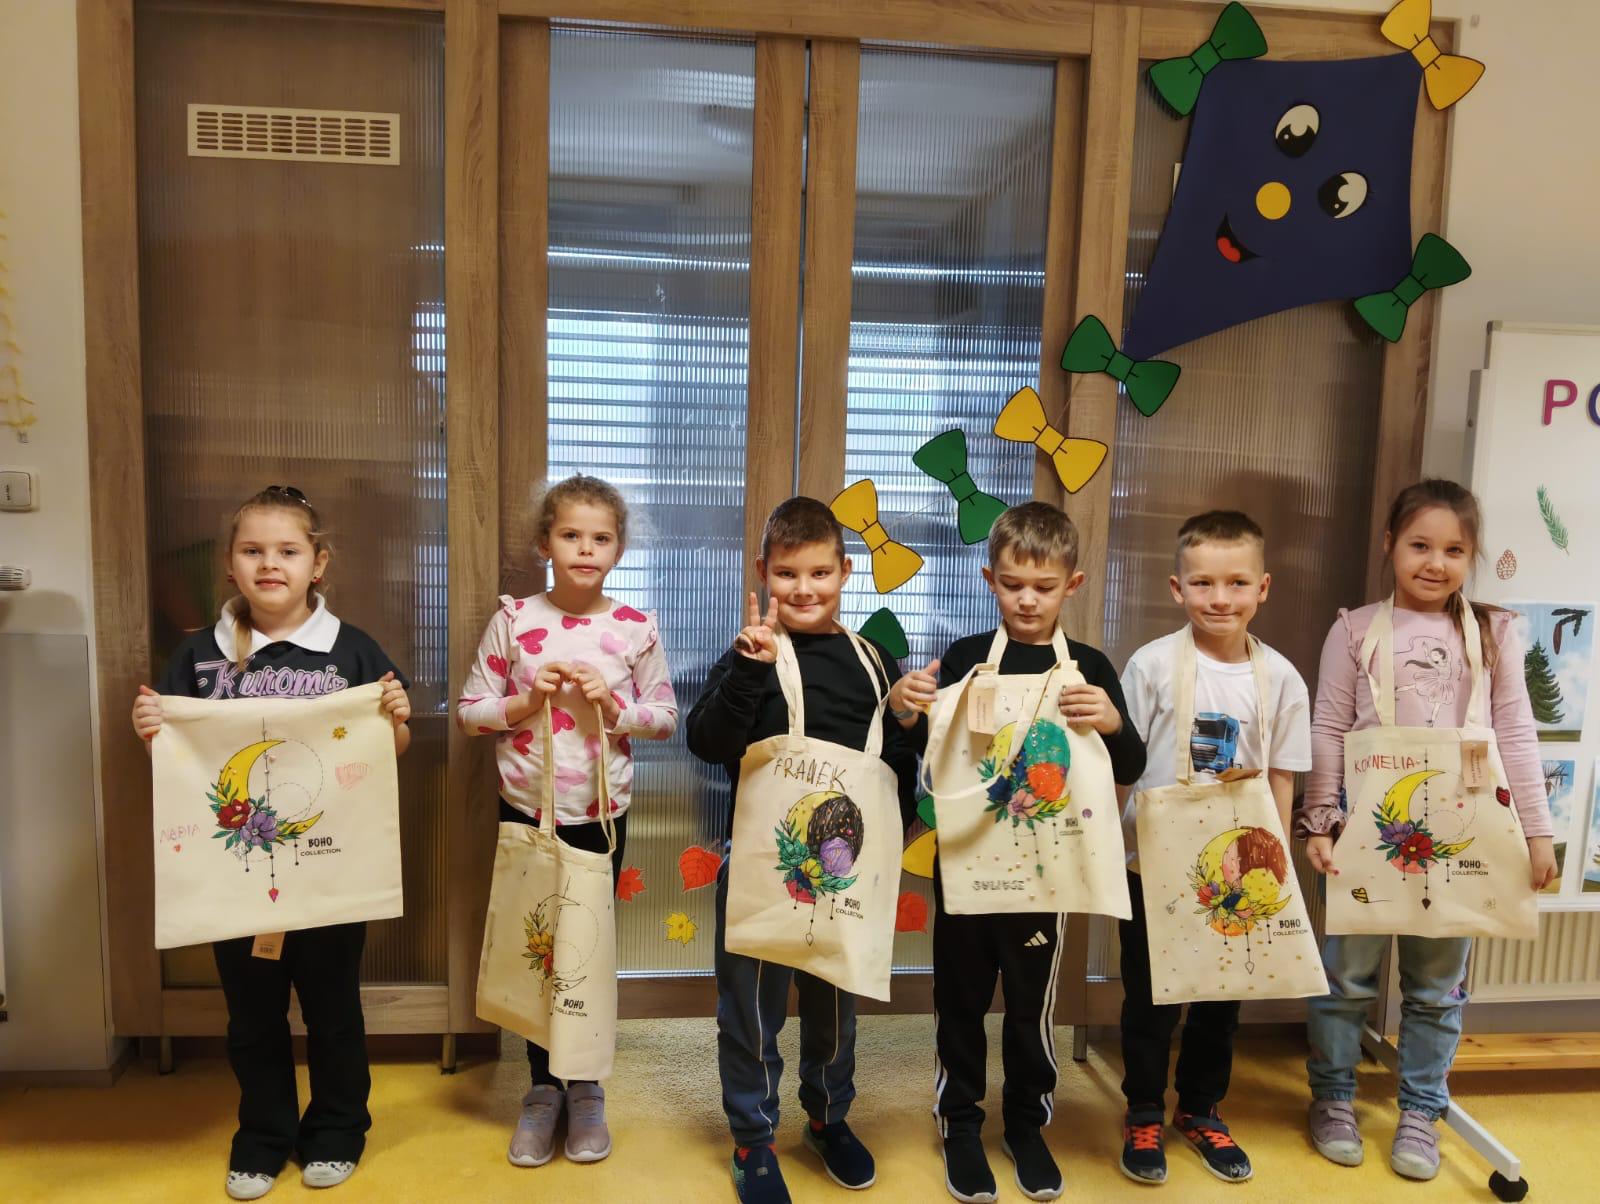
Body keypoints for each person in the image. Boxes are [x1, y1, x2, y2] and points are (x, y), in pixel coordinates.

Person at [132, 485, 412, 1201]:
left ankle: (338, 1129)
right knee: (252, 1017)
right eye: (252, 551)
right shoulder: (198, 654)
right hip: (234, 877)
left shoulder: (351, 650)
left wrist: (395, 720)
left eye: (287, 551)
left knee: (333, 1012)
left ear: (319, 563)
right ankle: (261, 1137)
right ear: (229, 564)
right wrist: (151, 732)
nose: (269, 564)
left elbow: (388, 751)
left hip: (327, 871)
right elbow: (177, 759)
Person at [1299, 479, 1555, 1181]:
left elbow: (1517, 734)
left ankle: (1420, 1110)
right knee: (1344, 977)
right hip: (1365, 830)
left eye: (1454, 550)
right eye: (1419, 545)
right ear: (1390, 546)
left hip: (1462, 834)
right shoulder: (1353, 630)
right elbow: (1327, 726)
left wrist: (1537, 834)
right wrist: (1320, 819)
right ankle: (1333, 1097)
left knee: (1438, 988)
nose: (1435, 563)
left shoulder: (1495, 632)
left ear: (1471, 556)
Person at [890, 501, 1146, 1203]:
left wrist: (1112, 721)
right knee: (960, 1002)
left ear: (1073, 584)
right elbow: (927, 756)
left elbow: (1131, 762)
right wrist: (907, 708)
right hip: (966, 866)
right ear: (989, 580)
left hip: (1047, 875)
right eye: (1012, 584)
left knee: (1032, 1009)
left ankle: (1027, 1127)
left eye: (1044, 586)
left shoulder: (1090, 667)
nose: (1027, 599)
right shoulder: (966, 658)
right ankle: (960, 1124)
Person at [686, 496, 919, 1204]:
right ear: (762, 572)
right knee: (751, 1008)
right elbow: (706, 742)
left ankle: (827, 1117)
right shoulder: (750, 653)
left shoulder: (874, 662)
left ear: (846, 571)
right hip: (763, 862)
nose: (804, 589)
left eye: (820, 573)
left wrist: (907, 721)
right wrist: (746, 671)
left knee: (836, 1001)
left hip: (846, 866)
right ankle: (753, 1137)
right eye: (787, 574)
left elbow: (893, 765)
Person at [459, 474, 677, 1168]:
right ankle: (542, 1090)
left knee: (585, 948)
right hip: (527, 812)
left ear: (619, 548)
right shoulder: (514, 620)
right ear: (545, 543)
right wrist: (528, 701)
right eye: (571, 535)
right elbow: (470, 713)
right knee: (540, 952)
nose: (586, 549)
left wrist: (613, 708)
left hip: (601, 817)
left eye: (601, 538)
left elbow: (665, 719)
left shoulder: (635, 627)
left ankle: (585, 1087)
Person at [1115, 510, 1311, 1185]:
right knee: (1150, 999)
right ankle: (1143, 1109)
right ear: (1177, 588)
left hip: (1241, 869)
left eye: (1236, 583)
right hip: (1151, 863)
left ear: (1263, 588)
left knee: (1223, 999)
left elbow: (1282, 776)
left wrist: (1276, 869)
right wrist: (1109, 848)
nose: (1219, 598)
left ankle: (1200, 1108)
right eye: (1202, 583)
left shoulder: (1281, 678)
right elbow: (1123, 762)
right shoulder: (1149, 666)